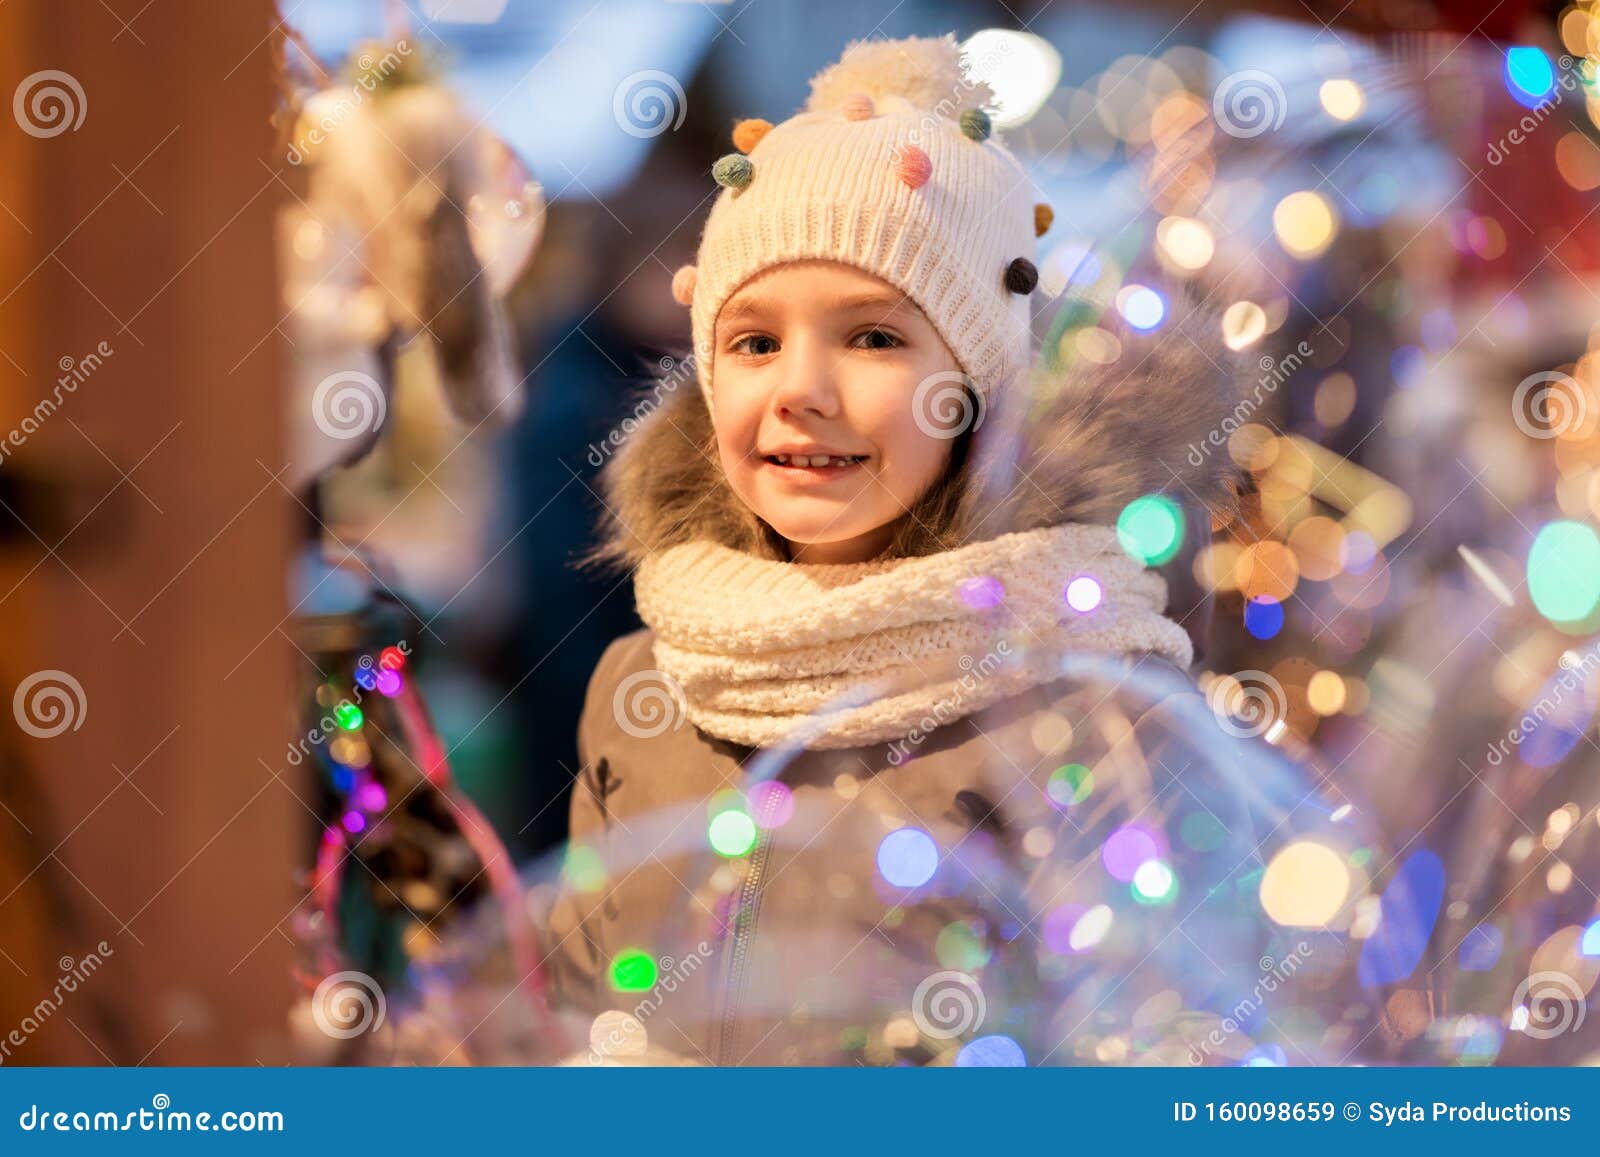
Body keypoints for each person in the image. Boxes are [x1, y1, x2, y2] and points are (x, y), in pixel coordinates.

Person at [543, 35, 1364, 1067]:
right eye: (753, 341)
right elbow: (580, 1012)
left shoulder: (1082, 707)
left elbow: (1173, 1043)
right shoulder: (648, 684)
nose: (799, 386)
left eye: (874, 337)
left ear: (975, 387)